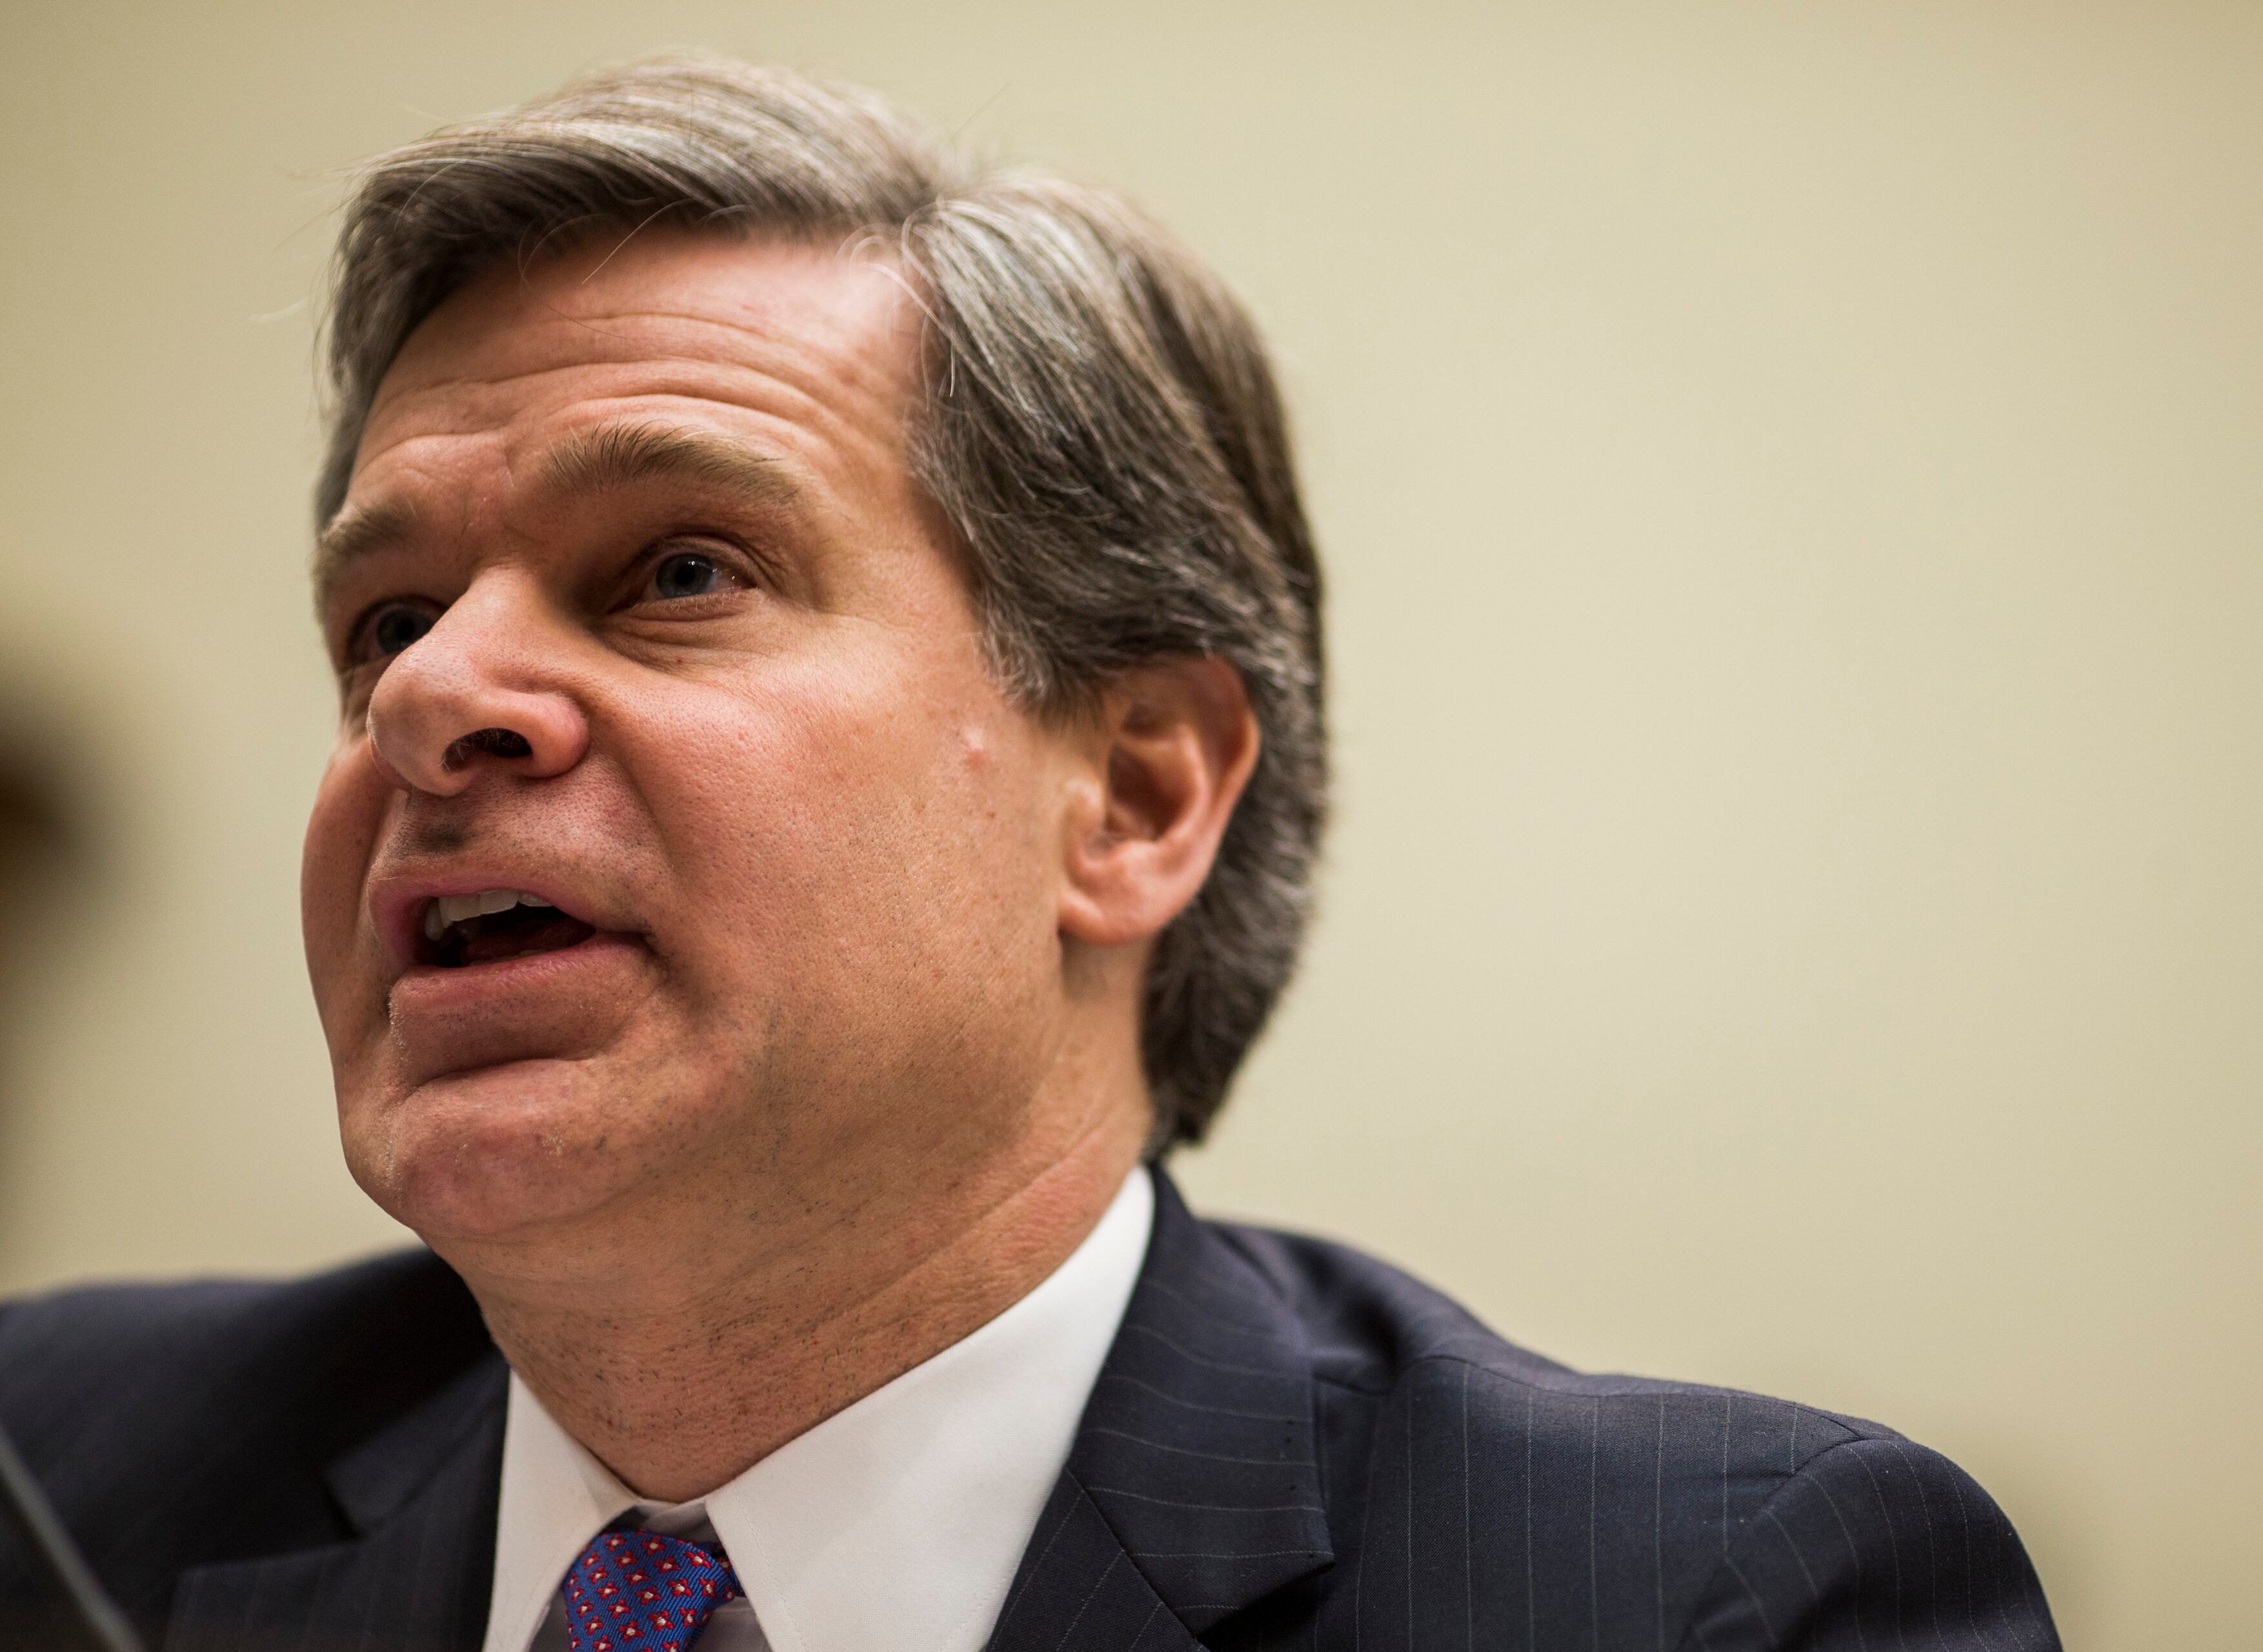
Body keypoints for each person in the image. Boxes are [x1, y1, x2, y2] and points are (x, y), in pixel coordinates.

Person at [0, 58, 2059, 1652]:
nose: (432, 698)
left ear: (1138, 797)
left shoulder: (1693, 1600)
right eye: (387, 621)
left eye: (678, 571)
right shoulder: (55, 1474)